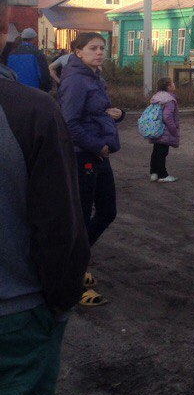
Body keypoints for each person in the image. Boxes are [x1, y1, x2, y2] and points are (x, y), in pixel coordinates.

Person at [0, 0, 90, 395]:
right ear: (6, 27)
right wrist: (59, 304)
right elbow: (61, 228)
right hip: (15, 320)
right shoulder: (32, 112)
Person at [58, 32, 124, 307]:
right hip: (83, 156)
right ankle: (71, 281)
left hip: (97, 155)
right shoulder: (75, 81)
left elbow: (97, 113)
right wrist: (98, 146)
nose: (99, 52)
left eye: (102, 48)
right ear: (77, 52)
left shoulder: (94, 77)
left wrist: (117, 114)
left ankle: (76, 263)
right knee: (82, 219)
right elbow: (68, 124)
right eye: (93, 48)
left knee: (108, 210)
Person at [148, 77, 180, 183]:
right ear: (168, 86)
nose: (174, 84)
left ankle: (154, 173)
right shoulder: (169, 99)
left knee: (156, 151)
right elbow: (167, 116)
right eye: (172, 83)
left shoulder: (157, 97)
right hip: (165, 130)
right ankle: (163, 175)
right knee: (162, 152)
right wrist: (174, 129)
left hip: (155, 127)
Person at [7, 28, 53, 92]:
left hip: (14, 91)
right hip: (33, 91)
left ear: (22, 38)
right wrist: (47, 88)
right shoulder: (37, 53)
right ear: (34, 38)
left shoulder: (11, 54)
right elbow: (44, 75)